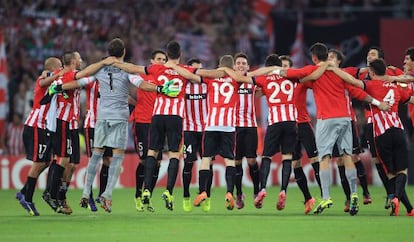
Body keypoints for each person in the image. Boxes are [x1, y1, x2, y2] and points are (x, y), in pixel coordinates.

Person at [49, 38, 177, 213]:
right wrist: (161, 89)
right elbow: (142, 84)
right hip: (119, 118)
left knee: (96, 155)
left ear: (109, 52)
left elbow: (80, 82)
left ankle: (86, 192)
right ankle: (107, 195)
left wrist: (59, 87)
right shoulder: (127, 70)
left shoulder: (99, 69)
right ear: (123, 52)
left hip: (102, 117)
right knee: (116, 157)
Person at [277, 42, 390, 215]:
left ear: (314, 58)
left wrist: (272, 71)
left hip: (326, 119)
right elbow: (358, 92)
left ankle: (326, 197)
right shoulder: (341, 74)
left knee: (324, 158)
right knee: (347, 156)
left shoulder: (312, 72)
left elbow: (289, 74)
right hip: (345, 118)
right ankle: (354, 194)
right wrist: (377, 103)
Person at [112, 41, 216, 211]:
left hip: (157, 116)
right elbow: (207, 75)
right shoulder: (185, 70)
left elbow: (134, 69)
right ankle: (168, 191)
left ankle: (146, 190)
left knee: (152, 152)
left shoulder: (156, 68)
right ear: (180, 55)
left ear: (167, 55)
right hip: (175, 117)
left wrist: (114, 62)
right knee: (174, 154)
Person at [330, 58, 414, 216]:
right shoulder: (395, 88)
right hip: (398, 131)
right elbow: (410, 99)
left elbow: (352, 81)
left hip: (381, 134)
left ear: (372, 72)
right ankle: (409, 208)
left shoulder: (370, 85)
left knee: (390, 173)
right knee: (402, 171)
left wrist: (335, 69)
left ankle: (396, 198)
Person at [346, 46, 404, 209]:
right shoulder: (364, 75)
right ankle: (391, 194)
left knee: (390, 160)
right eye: (367, 54)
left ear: (380, 59)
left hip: (389, 122)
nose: (369, 57)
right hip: (371, 120)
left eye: (372, 54)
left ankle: (396, 194)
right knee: (376, 159)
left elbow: (404, 85)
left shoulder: (390, 74)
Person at [15, 57, 64, 216]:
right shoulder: (44, 78)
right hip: (36, 125)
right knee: (38, 164)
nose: (62, 67)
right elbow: (43, 82)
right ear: (53, 67)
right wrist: (56, 74)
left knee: (46, 161)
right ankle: (28, 199)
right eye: (60, 65)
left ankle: (23, 192)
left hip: (44, 127)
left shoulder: (54, 82)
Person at [327, 49, 372, 212]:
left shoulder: (348, 72)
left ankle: (365, 192)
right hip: (331, 123)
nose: (329, 59)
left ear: (339, 61)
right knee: (339, 161)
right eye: (328, 57)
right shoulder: (322, 75)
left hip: (348, 121)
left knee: (353, 157)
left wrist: (382, 68)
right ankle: (348, 199)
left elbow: (366, 70)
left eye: (332, 57)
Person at [280, 55, 320, 214]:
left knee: (315, 160)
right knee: (295, 164)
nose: (284, 69)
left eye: (286, 66)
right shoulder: (275, 85)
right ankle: (308, 198)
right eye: (281, 66)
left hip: (303, 125)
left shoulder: (300, 81)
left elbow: (316, 82)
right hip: (288, 127)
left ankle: (325, 196)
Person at [131, 50, 166, 212]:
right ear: (151, 60)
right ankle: (138, 194)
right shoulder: (142, 75)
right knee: (145, 160)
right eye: (158, 59)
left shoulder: (167, 78)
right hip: (142, 122)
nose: (161, 61)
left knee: (157, 162)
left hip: (158, 122)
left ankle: (148, 195)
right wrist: (134, 104)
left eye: (163, 59)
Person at [181, 58, 212, 212]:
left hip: (207, 130)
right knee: (188, 163)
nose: (196, 73)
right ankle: (186, 196)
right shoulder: (183, 86)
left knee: (208, 163)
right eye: (194, 70)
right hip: (189, 129)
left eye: (199, 70)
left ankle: (206, 195)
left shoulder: (208, 85)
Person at [232, 52, 260, 209]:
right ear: (234, 66)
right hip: (234, 127)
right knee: (237, 162)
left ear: (248, 67)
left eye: (243, 63)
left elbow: (265, 89)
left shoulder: (252, 81)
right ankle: (239, 194)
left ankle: (256, 192)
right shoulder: (230, 81)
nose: (241, 65)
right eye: (238, 63)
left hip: (250, 126)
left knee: (251, 161)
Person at [82, 79, 112, 212]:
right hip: (93, 125)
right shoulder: (91, 82)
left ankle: (102, 196)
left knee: (107, 160)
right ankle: (89, 196)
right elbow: (77, 78)